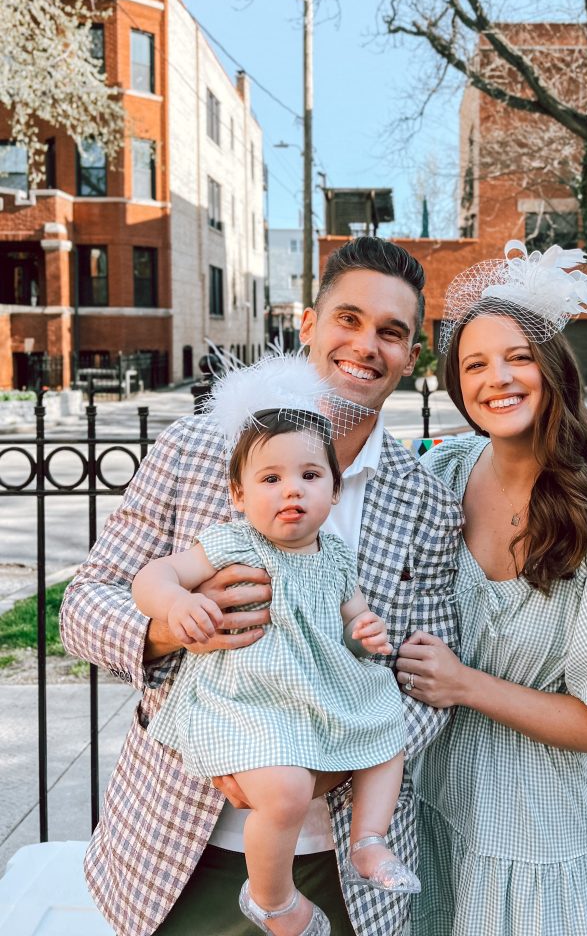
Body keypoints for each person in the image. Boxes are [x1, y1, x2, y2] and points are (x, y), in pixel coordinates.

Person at [59, 236, 462, 936]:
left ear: (409, 355)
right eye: (349, 319)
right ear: (308, 325)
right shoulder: (197, 449)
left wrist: (334, 766)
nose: (366, 345)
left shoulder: (424, 499)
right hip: (180, 840)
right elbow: (86, 601)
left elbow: (431, 680)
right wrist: (167, 626)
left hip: (340, 865)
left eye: (391, 333)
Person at [394, 241, 587, 936]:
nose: (496, 378)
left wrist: (465, 684)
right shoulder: (444, 474)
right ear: (456, 386)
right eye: (475, 364)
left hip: (529, 843)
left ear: (555, 370)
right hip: (429, 818)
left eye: (517, 357)